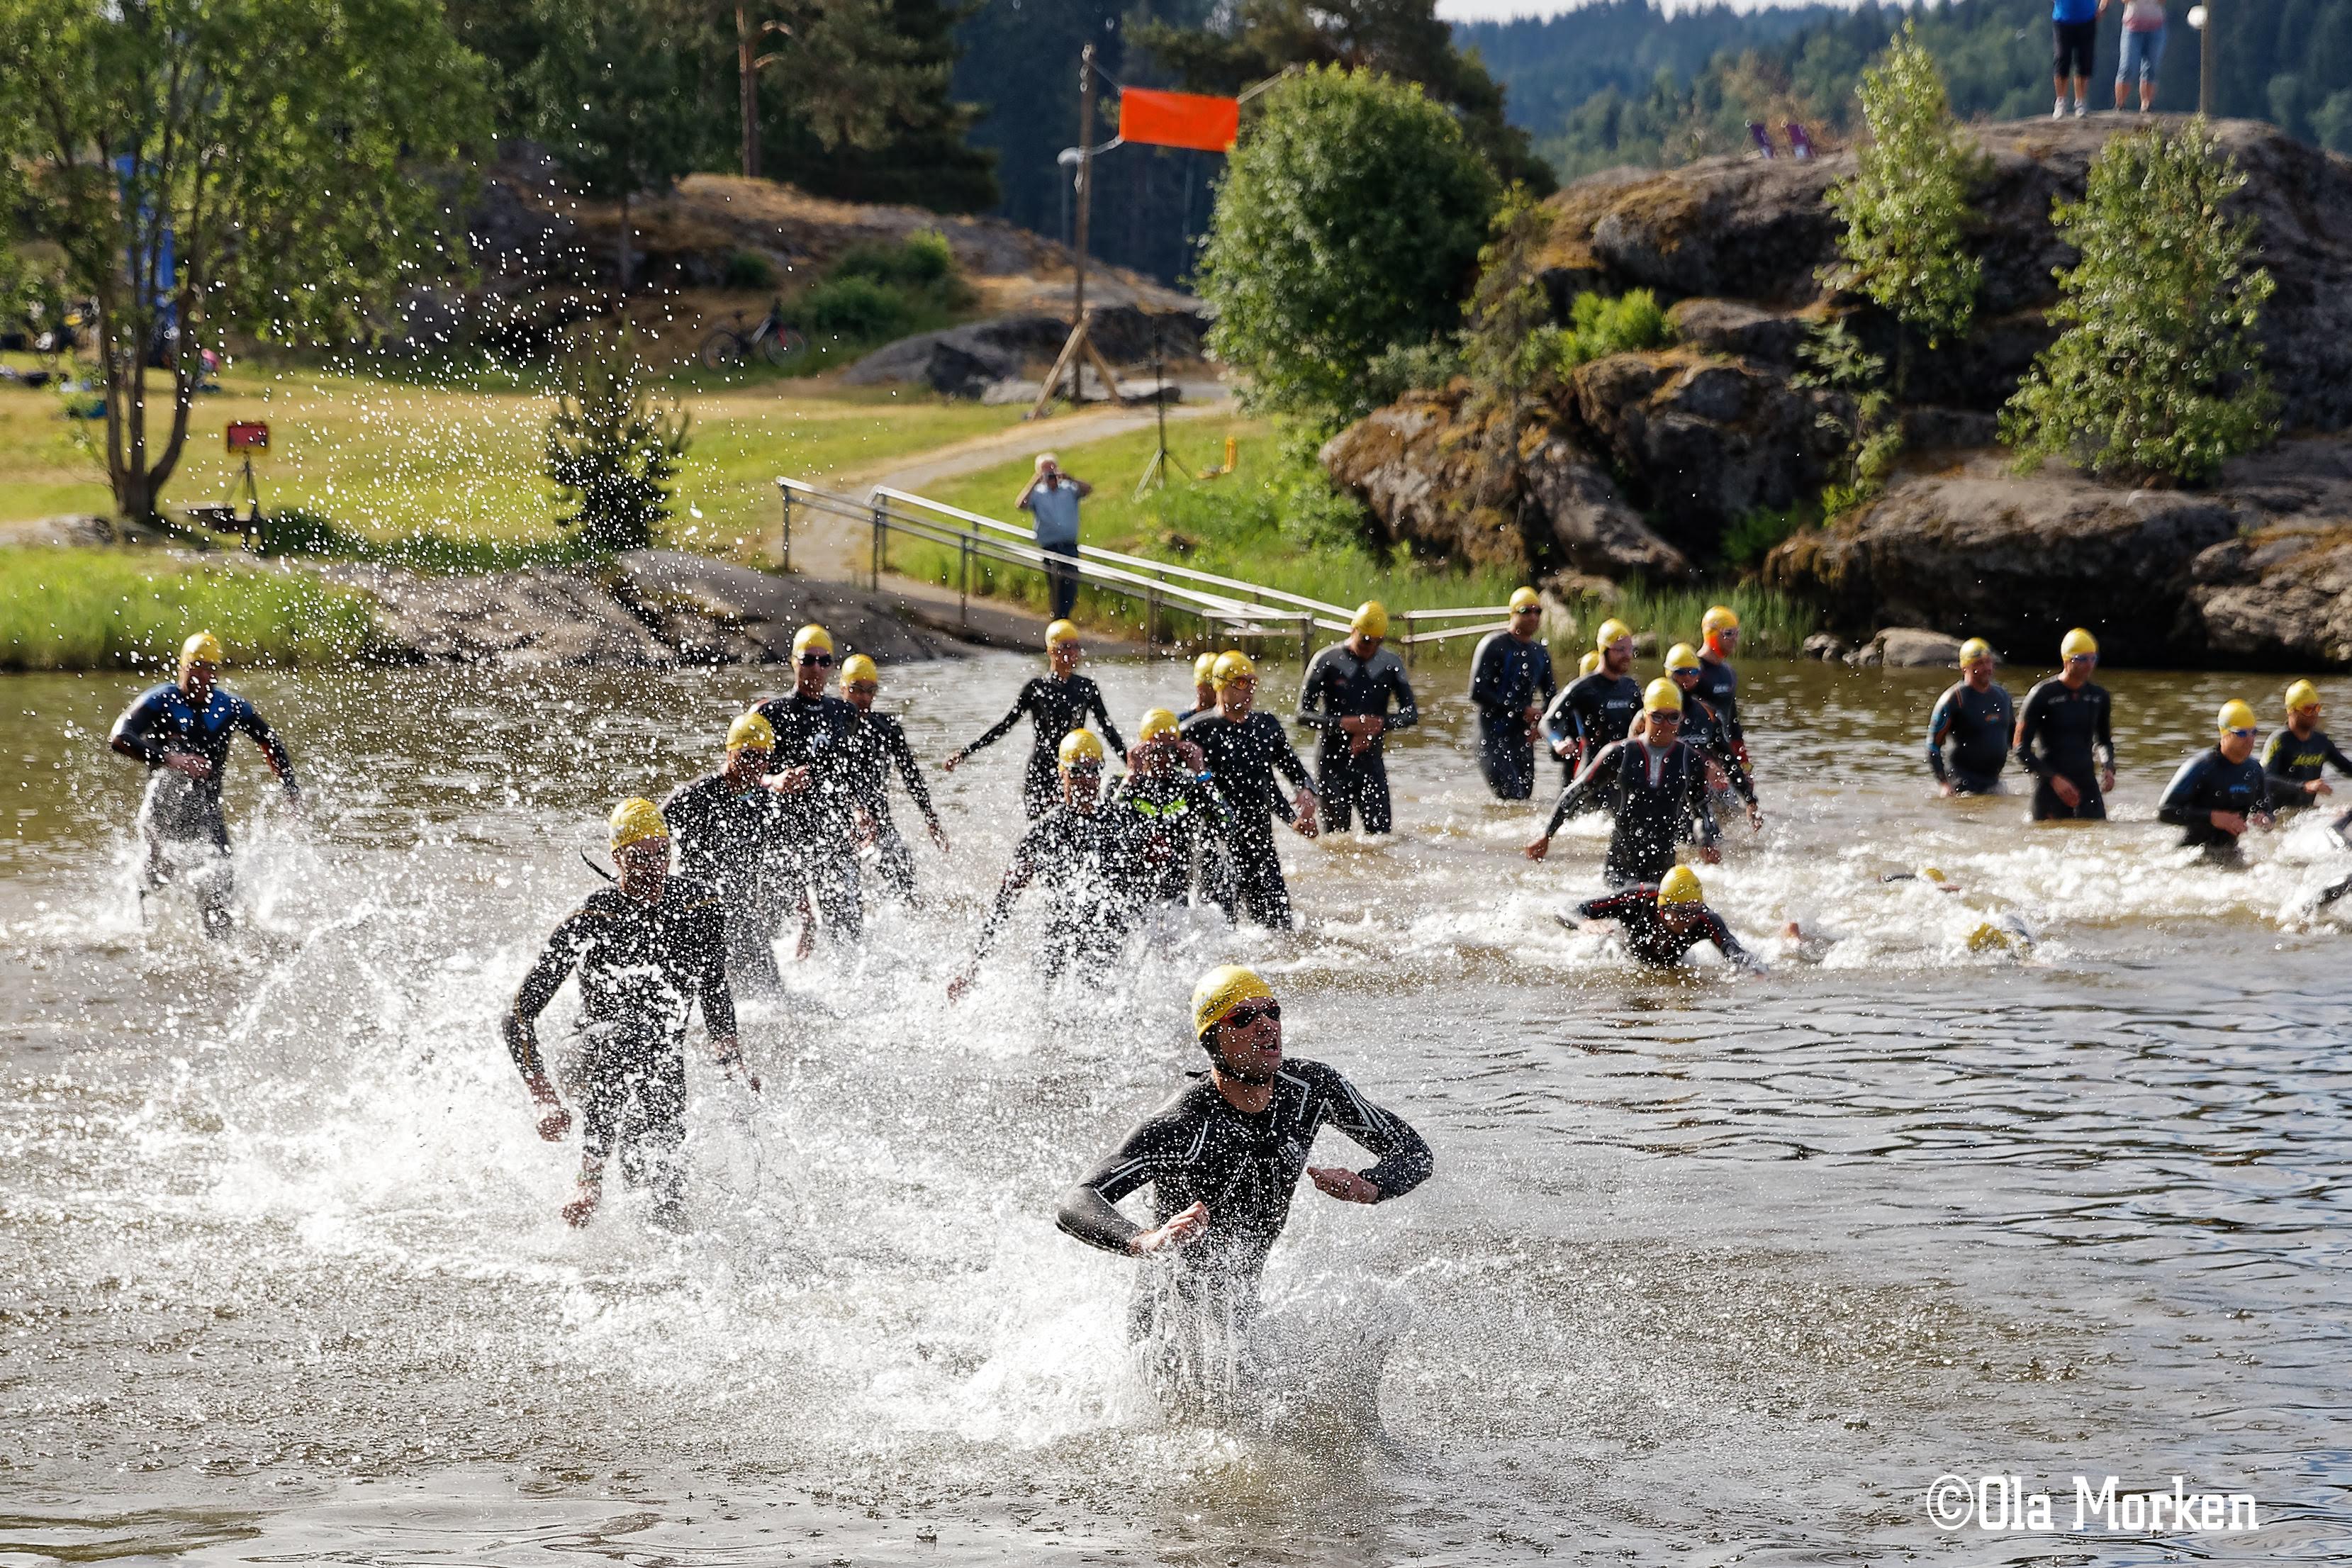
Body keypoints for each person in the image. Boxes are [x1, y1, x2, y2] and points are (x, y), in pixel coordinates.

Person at [1054, 964, 1432, 1394]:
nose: (1266, 1025)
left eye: (1272, 1011)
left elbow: (1414, 1153)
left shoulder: (1310, 1091)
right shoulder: (1183, 1125)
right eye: (1244, 1017)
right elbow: (1076, 1202)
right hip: (1169, 1325)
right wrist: (1145, 1240)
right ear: (1212, 1038)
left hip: (1241, 1310)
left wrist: (1372, 1185)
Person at [502, 799, 757, 1231]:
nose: (653, 868)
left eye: (662, 854)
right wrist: (543, 1097)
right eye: (640, 857)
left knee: (663, 1200)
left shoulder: (699, 907)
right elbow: (518, 1014)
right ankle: (589, 1178)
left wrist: (733, 1060)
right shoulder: (591, 918)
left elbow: (714, 986)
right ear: (617, 857)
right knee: (633, 1034)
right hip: (588, 1053)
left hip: (660, 1062)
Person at [108, 629, 301, 937]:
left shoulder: (230, 707)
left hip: (208, 814)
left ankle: (223, 955)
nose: (203, 676)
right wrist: (171, 760)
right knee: (157, 882)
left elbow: (270, 743)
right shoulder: (161, 701)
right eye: (196, 667)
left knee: (221, 882)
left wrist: (290, 792)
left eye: (210, 669)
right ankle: (142, 937)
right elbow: (120, 738)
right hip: (164, 810)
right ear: (183, 667)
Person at [948, 730, 1140, 996]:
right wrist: (973, 966)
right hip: (1059, 940)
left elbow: (1144, 885)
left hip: (1106, 939)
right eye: (1076, 772)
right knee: (1047, 1006)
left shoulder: (1121, 823)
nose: (1086, 779)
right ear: (1062, 773)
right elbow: (1006, 899)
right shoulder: (1042, 832)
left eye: (1093, 770)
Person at [1527, 678, 1722, 885]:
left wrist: (1706, 842)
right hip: (1620, 870)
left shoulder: (1689, 759)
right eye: (1657, 717)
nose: (1665, 725)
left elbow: (1701, 809)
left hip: (1663, 871)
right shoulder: (1621, 753)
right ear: (1645, 716)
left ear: (1681, 718)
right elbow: (1577, 791)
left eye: (1673, 718)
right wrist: (1546, 834)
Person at [1183, 651, 1321, 929]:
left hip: (1260, 842)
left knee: (1281, 930)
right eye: (1240, 683)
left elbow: (1291, 772)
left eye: (1252, 682)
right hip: (1217, 844)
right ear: (1220, 685)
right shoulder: (1197, 730)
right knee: (1219, 931)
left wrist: (1306, 792)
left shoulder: (1266, 726)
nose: (1249, 691)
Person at [750, 623, 866, 943]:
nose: (816, 668)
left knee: (848, 930)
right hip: (783, 835)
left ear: (832, 666)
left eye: (824, 661)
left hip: (832, 831)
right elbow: (742, 774)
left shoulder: (843, 711)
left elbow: (848, 771)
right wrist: (774, 781)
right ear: (793, 662)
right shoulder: (770, 712)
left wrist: (859, 809)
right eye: (808, 660)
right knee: (775, 930)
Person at [946, 619, 1125, 820]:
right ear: (1051, 651)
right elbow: (1004, 725)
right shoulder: (1036, 688)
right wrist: (964, 752)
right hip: (1042, 770)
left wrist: (1130, 765)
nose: (1073, 652)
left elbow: (1108, 729)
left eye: (1076, 646)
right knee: (1038, 827)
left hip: (1072, 771)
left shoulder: (1086, 687)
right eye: (1066, 646)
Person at [661, 712, 790, 990]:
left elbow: (785, 858)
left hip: (745, 916)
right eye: (748, 755)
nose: (757, 764)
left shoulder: (765, 802)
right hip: (698, 916)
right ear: (730, 752)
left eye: (764, 757)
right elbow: (649, 835)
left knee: (774, 997)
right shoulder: (693, 796)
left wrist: (806, 913)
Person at [1297, 601, 1418, 835]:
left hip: (1370, 762)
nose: (1370, 647)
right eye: (1365, 640)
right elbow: (1302, 715)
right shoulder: (1327, 660)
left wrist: (1377, 727)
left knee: (1382, 839)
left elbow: (1411, 714)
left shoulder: (1391, 664)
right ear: (1353, 630)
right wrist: (1343, 724)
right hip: (1332, 763)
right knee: (1336, 841)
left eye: (1377, 642)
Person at [837, 653, 949, 904]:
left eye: (871, 690)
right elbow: (831, 775)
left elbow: (911, 775)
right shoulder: (833, 725)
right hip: (841, 819)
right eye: (856, 689)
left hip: (879, 819)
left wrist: (930, 818)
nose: (864, 698)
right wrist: (855, 808)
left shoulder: (886, 728)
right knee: (845, 891)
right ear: (842, 687)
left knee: (904, 877)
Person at [1111, 707, 1231, 909]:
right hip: (1134, 893)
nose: (1164, 758)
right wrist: (1131, 777)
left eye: (1170, 750)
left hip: (1177, 897)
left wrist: (1202, 773)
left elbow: (1227, 824)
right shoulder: (1120, 784)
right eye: (1157, 751)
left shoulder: (1188, 784)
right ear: (1142, 749)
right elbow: (1108, 827)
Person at [2156, 700, 2287, 861]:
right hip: (2190, 856)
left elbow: (2266, 811)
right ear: (2224, 733)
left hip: (2230, 854)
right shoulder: (2201, 766)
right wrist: (2212, 817)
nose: (2250, 739)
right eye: (2241, 734)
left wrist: (2265, 821)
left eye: (2254, 732)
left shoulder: (2254, 770)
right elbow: (2165, 812)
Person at [1650, 642, 1761, 828]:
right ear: (1669, 673)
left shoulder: (1706, 713)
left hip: (1699, 795)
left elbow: (1728, 758)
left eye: (1692, 672)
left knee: (1714, 836)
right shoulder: (1655, 714)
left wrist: (1749, 799)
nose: (1687, 677)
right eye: (1681, 672)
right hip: (1667, 795)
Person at [1572, 865, 1762, 970]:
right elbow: (1570, 908)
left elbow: (1732, 948)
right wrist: (1583, 922)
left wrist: (1757, 971)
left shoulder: (1703, 919)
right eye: (1682, 913)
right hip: (1620, 955)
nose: (1689, 920)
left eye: (1694, 911)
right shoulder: (1639, 899)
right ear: (1662, 909)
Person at [2014, 628, 2115, 822]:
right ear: (2067, 660)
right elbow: (2020, 749)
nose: (2089, 665)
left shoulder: (2099, 696)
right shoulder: (2042, 695)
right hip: (2050, 787)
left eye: (2093, 658)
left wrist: (2108, 767)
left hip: (2086, 785)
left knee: (2100, 834)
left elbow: (2104, 741)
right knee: (2047, 837)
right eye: (2082, 659)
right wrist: (2054, 778)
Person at [1468, 587, 1556, 801]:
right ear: (1513, 613)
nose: (1533, 617)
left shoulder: (1540, 653)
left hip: (1521, 738)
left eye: (1537, 611)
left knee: (1524, 801)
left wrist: (1540, 725)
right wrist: (1521, 709)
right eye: (1526, 611)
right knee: (1512, 798)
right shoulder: (1494, 645)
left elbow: (1552, 697)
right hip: (1491, 736)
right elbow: (1477, 692)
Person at [1540, 617, 1642, 788]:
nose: (1627, 655)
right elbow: (1546, 722)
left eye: (1630, 649)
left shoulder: (1630, 687)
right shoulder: (1583, 687)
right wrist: (1558, 743)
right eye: (1620, 650)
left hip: (1623, 773)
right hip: (1591, 773)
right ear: (1604, 650)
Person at [1927, 639, 2015, 796]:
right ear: (1964, 667)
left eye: (1988, 662)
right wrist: (1944, 784)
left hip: (1994, 784)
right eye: (1979, 663)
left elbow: (2014, 741)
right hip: (1961, 785)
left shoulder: (2002, 697)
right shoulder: (1954, 699)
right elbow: (1932, 746)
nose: (1986, 668)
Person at [2262, 681, 2352, 824]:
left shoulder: (2321, 741)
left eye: (2317, 708)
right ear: (2292, 711)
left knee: (2344, 813)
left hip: (2304, 815)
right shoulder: (2279, 741)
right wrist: (2304, 786)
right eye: (2308, 710)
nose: (2315, 714)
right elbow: (2265, 779)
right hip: (2279, 816)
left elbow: (2347, 768)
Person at [1017, 452, 1090, 620]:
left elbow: (1088, 490)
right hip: (1050, 547)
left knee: (1071, 585)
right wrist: (1035, 481)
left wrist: (1070, 477)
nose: (1050, 474)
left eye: (1052, 469)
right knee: (1055, 586)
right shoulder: (1037, 493)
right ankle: (1058, 619)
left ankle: (1064, 618)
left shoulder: (1069, 489)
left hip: (1069, 546)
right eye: (1046, 471)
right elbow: (1021, 505)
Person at [1689, 605, 1748, 769]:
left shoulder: (1729, 672)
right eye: (1728, 633)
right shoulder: (1691, 671)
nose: (1735, 639)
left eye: (1737, 633)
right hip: (1697, 757)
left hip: (1723, 755)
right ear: (1711, 635)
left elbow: (1733, 723)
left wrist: (1744, 763)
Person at [2112, 0, 2165, 112]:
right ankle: (2120, 104)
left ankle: (2147, 104)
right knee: (2127, 66)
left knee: (2151, 68)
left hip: (2155, 26)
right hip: (2132, 27)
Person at [2053, 0, 2098, 118]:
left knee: (2084, 60)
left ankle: (2080, 102)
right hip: (2062, 19)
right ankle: (2060, 101)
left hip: (2087, 18)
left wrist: (2103, 6)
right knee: (2062, 58)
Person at [1178, 651, 1219, 724]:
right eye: (1213, 686)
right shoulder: (1182, 723)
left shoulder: (1234, 722)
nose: (1219, 691)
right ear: (1200, 687)